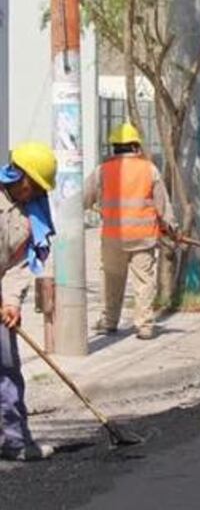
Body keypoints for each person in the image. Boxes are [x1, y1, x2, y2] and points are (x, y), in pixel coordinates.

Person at [84, 123, 176, 340]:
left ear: (115, 147)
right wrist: (171, 228)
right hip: (143, 238)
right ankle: (144, 325)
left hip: (113, 239)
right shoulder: (149, 169)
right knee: (144, 282)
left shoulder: (102, 170)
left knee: (111, 280)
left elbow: (85, 199)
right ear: (136, 146)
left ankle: (109, 322)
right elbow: (163, 205)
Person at [0, 143, 58, 461]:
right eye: (31, 184)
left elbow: (19, 264)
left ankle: (15, 441)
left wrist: (11, 303)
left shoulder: (30, 215)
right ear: (17, 175)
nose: (33, 192)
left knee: (7, 367)